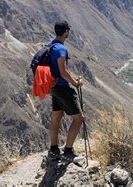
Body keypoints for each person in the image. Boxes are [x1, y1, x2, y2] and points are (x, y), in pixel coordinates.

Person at [47, 20, 84, 163]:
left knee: (56, 117)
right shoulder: (61, 49)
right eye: (69, 30)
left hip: (53, 87)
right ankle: (68, 151)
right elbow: (63, 71)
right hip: (62, 88)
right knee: (79, 118)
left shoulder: (51, 45)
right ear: (66, 31)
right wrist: (76, 83)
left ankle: (54, 150)